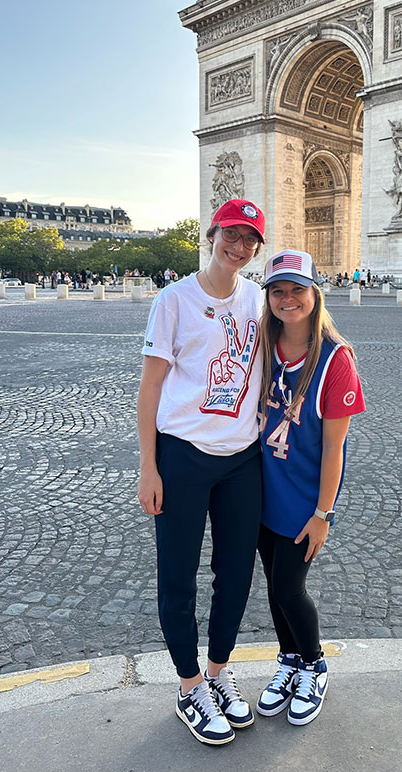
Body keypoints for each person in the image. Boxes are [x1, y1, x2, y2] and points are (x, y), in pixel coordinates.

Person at [137, 199, 266, 747]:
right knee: (179, 575)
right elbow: (150, 388)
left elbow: (299, 334)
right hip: (183, 454)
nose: (238, 247)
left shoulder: (258, 298)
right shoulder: (173, 301)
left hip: (243, 458)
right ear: (212, 233)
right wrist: (149, 465)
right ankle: (189, 685)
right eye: (230, 235)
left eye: (249, 240)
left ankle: (217, 672)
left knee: (236, 574)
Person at [255, 249, 365, 726]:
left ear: (314, 292)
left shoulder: (336, 358)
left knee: (287, 587)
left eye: (297, 289)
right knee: (274, 588)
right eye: (277, 290)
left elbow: (335, 449)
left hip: (303, 500)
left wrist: (323, 514)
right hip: (259, 491)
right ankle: (288, 660)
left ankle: (314, 665)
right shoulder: (261, 342)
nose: (287, 299)